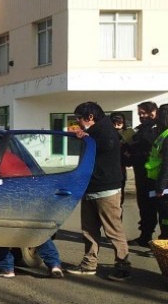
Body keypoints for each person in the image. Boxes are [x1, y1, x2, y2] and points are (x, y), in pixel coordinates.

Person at [0, 132, 64, 278]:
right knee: (35, 231)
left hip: (8, 195)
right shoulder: (3, 151)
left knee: (2, 231)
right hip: (29, 191)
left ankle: (6, 268)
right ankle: (55, 265)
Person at [66, 102, 131, 281]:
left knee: (113, 230)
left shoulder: (105, 131)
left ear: (90, 117)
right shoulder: (94, 132)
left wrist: (87, 138)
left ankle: (123, 266)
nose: (78, 122)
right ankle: (89, 264)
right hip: (90, 187)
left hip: (106, 189)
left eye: (79, 118)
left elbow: (106, 145)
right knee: (89, 230)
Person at [128, 102, 159, 246]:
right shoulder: (139, 129)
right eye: (139, 113)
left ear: (153, 112)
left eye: (143, 113)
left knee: (158, 208)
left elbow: (149, 145)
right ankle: (145, 236)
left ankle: (162, 240)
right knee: (145, 206)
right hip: (141, 174)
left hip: (154, 176)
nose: (141, 116)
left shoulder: (157, 128)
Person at [144, 104, 168, 241]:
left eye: (159, 115)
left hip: (165, 187)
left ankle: (165, 247)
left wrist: (160, 186)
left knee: (166, 219)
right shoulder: (163, 133)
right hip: (160, 183)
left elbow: (167, 165)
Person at [111, 113, 135, 212]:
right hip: (109, 169)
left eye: (120, 122)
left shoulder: (128, 133)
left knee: (119, 198)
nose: (117, 125)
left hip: (121, 168)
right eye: (115, 122)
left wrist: (126, 151)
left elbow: (133, 150)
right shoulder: (108, 133)